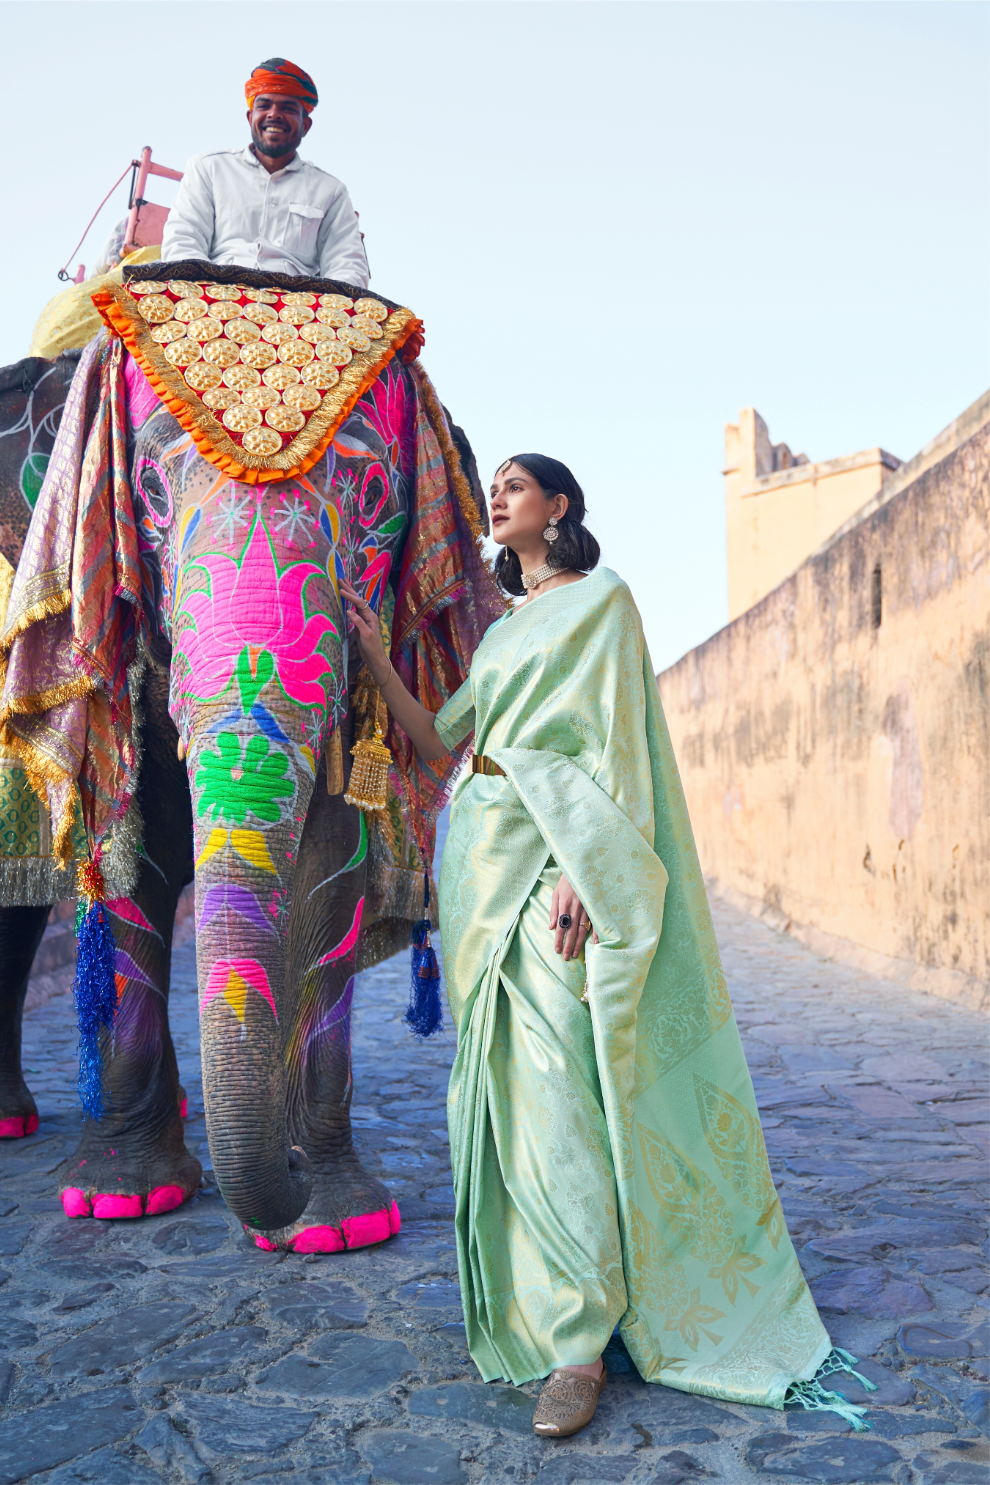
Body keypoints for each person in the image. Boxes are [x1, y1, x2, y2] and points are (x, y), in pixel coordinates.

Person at [341, 456, 864, 1439]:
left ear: (560, 507)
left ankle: (580, 1344)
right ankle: (551, 1306)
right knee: (506, 1096)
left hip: (556, 858)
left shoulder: (603, 601)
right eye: (495, 485)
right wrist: (373, 657)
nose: (499, 496)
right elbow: (443, 741)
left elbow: (617, 745)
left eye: (517, 484)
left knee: (558, 1089)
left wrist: (588, 867)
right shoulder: (505, 629)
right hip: (479, 858)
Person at [161, 57, 369, 286]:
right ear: (250, 118)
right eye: (264, 106)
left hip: (298, 303)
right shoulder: (209, 168)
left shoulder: (330, 191)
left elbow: (347, 267)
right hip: (215, 294)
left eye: (287, 108)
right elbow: (183, 242)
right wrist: (206, 297)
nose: (274, 114)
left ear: (305, 126)